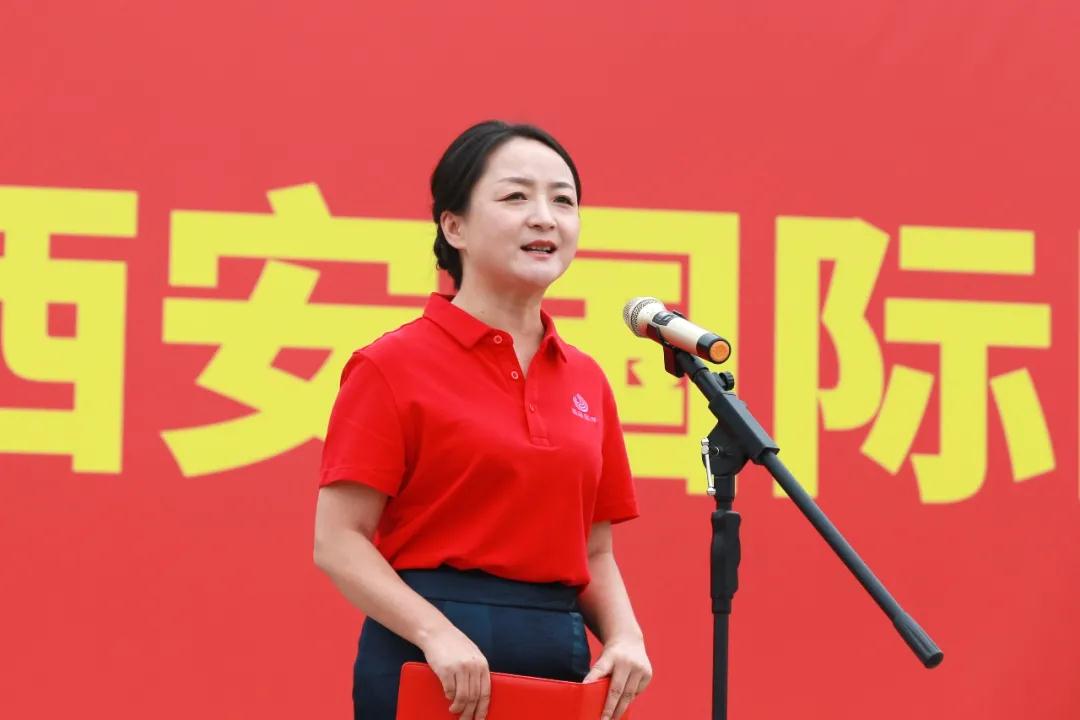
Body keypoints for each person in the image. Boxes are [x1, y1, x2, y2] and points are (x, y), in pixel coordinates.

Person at [313, 120, 652, 720]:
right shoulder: (392, 364)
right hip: (431, 655)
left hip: (557, 652)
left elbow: (595, 551)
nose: (545, 218)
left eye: (563, 201)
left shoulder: (586, 379)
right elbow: (339, 540)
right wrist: (436, 633)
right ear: (455, 227)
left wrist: (625, 636)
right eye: (516, 196)